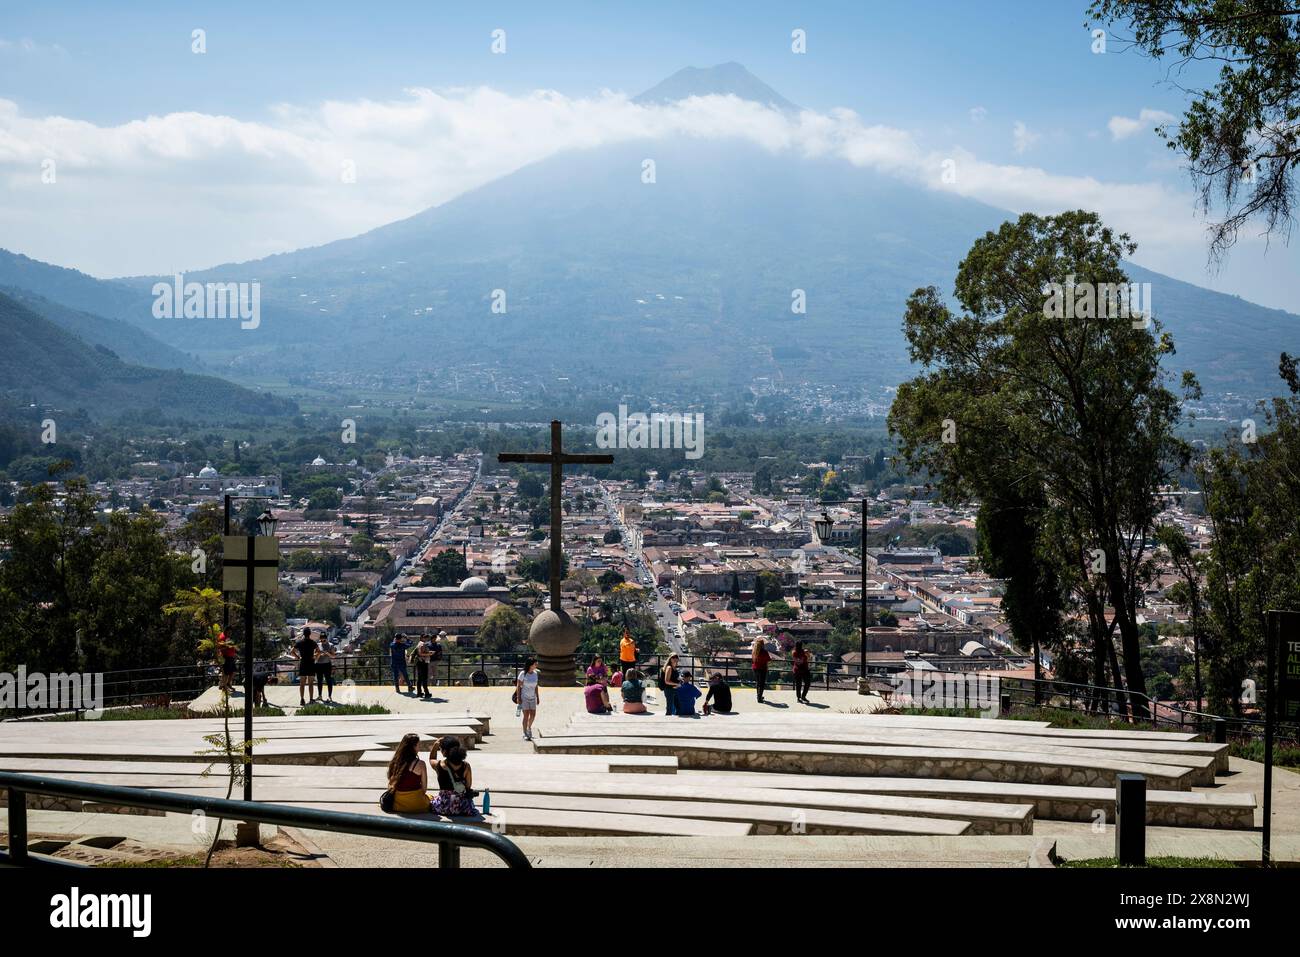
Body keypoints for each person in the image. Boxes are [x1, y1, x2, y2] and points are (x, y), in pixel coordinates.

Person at [385, 733, 432, 814]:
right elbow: (424, 789)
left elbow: (390, 785)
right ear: (413, 747)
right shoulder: (421, 764)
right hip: (417, 804)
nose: (419, 747)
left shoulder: (395, 762)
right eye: (418, 745)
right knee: (431, 798)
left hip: (398, 804)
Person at [432, 742, 476, 816]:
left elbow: (431, 759)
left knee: (431, 799)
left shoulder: (440, 765)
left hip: (444, 807)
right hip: (461, 807)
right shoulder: (466, 766)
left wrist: (436, 745)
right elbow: (468, 786)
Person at [291, 627, 319, 706]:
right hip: (311, 662)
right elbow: (319, 651)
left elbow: (291, 651)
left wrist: (298, 657)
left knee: (302, 683)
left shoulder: (299, 642)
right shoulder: (313, 642)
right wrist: (315, 656)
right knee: (310, 683)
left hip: (303, 663)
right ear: (310, 634)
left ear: (303, 633)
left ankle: (302, 699)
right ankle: (311, 699)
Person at [516, 657, 540, 740]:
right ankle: (525, 732)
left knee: (533, 715)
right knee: (526, 715)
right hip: (524, 697)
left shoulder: (535, 673)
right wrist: (519, 698)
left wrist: (538, 697)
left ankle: (529, 727)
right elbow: (518, 686)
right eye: (535, 664)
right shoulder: (523, 673)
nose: (536, 665)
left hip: (533, 697)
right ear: (530, 665)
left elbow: (536, 686)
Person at [315, 637, 335, 703]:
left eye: (324, 639)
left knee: (328, 681)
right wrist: (319, 654)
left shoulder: (331, 645)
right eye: (321, 639)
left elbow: (333, 656)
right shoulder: (318, 645)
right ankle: (320, 695)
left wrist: (327, 653)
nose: (322, 641)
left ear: (326, 639)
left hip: (327, 665)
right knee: (319, 681)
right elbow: (316, 658)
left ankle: (329, 696)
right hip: (319, 665)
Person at [751, 637, 771, 703]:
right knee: (762, 684)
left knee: (758, 682)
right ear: (762, 645)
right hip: (762, 669)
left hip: (755, 668)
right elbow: (768, 659)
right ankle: (759, 697)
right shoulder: (764, 652)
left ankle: (758, 695)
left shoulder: (754, 651)